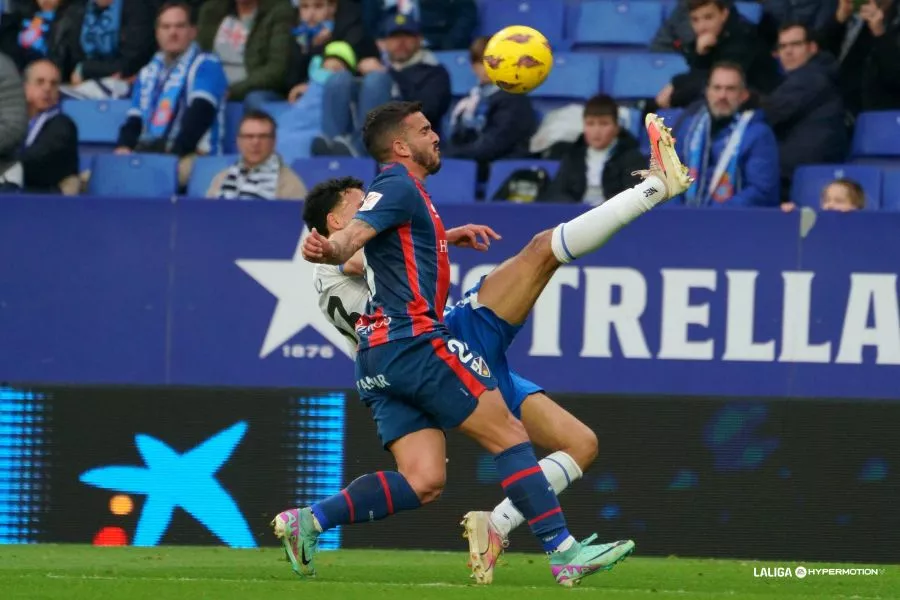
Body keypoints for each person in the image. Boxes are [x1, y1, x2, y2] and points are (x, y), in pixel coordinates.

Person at [275, 101, 692, 586]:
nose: (436, 135)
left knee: (424, 479)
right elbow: (354, 248)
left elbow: (379, 243)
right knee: (539, 264)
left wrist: (440, 235)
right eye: (425, 130)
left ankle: (311, 520)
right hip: (421, 340)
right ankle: (563, 552)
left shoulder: (393, 207)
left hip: (377, 362)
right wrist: (334, 246)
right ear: (401, 146)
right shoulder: (392, 188)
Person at [206, 109, 307, 200]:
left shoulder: (291, 185)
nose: (255, 142)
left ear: (274, 141)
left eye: (263, 137)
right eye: (249, 136)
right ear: (238, 141)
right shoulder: (221, 179)